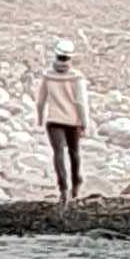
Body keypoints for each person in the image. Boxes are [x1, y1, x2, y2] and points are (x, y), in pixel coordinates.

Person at [35, 40, 88, 200]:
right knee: (74, 153)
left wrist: (39, 117)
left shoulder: (48, 75)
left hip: (54, 120)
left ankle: (63, 188)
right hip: (73, 121)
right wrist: (84, 122)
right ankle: (76, 184)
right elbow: (80, 102)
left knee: (58, 153)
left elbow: (40, 100)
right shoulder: (76, 77)